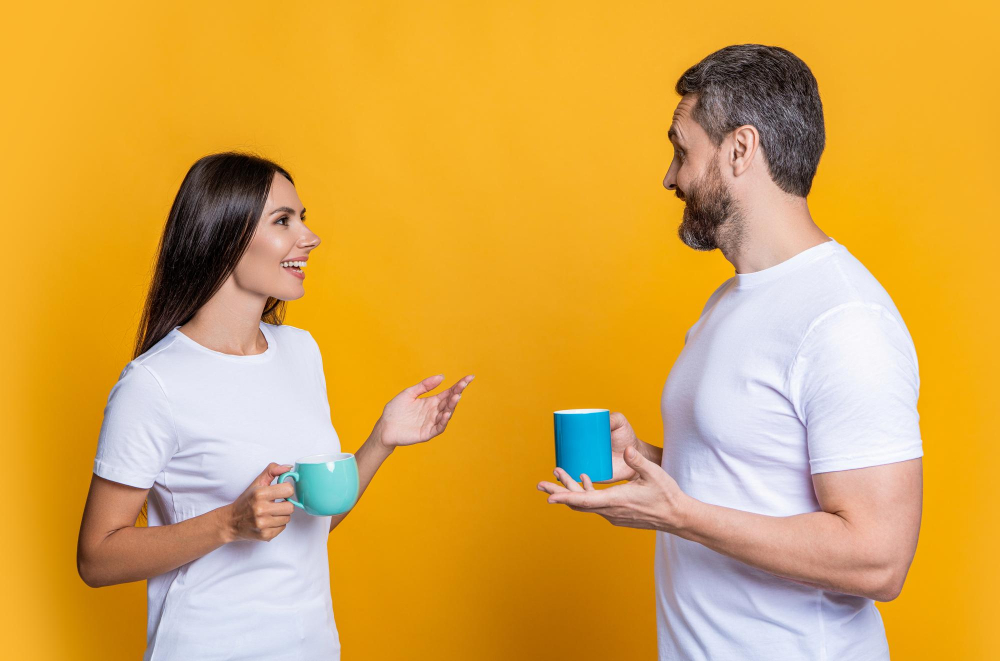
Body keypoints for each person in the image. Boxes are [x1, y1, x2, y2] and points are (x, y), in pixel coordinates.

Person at [537, 44, 923, 660]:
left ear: (740, 149)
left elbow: (879, 558)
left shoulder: (844, 320)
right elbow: (748, 475)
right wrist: (647, 461)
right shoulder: (728, 302)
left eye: (681, 148)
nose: (670, 176)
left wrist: (678, 514)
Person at [76, 152, 475, 660]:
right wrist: (228, 523)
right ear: (225, 235)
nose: (309, 237)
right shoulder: (153, 384)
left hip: (311, 646)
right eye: (283, 221)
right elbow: (96, 557)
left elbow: (311, 522)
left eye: (302, 219)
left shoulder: (300, 351)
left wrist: (381, 441)